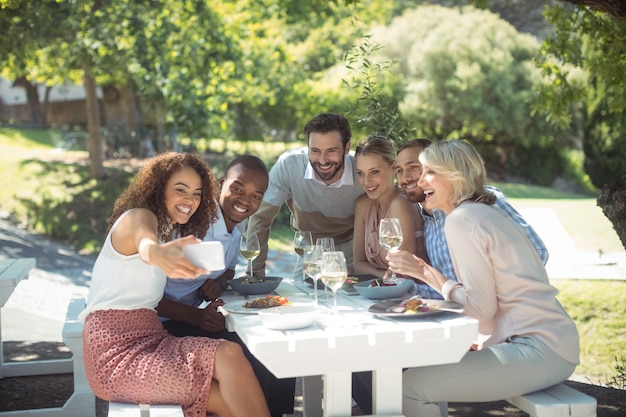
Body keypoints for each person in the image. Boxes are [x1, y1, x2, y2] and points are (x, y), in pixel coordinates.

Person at [387, 140, 579, 417]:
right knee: (422, 377)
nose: (420, 179)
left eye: (430, 172)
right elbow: (490, 306)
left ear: (455, 176)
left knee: (411, 387)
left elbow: (480, 308)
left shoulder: (462, 220)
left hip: (539, 349)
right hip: (543, 343)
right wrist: (424, 273)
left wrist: (425, 273)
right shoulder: (478, 212)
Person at [78, 152, 270, 417]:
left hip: (151, 337)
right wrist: (158, 253)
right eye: (181, 190)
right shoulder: (138, 217)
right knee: (230, 359)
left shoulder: (166, 229)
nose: (189, 200)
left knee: (231, 382)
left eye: (196, 193)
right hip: (114, 354)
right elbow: (146, 246)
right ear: (159, 189)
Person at [156, 155, 296, 417]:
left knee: (273, 345)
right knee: (258, 351)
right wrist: (197, 318)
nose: (245, 200)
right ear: (221, 185)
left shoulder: (235, 224)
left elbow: (229, 267)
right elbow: (149, 299)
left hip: (190, 317)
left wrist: (219, 281)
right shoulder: (191, 224)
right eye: (237, 188)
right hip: (162, 325)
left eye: (256, 195)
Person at [248, 112, 364, 277]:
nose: (323, 160)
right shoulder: (289, 165)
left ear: (346, 148)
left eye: (331, 151)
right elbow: (260, 218)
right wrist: (255, 272)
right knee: (304, 297)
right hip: (310, 249)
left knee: (352, 300)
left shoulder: (362, 170)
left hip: (353, 247)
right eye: (315, 150)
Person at [352, 135, 428, 276]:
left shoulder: (400, 203)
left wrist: (378, 275)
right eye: (361, 173)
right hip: (383, 288)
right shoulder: (363, 204)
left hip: (413, 292)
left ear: (393, 168)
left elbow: (403, 273)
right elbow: (358, 264)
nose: (367, 181)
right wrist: (382, 275)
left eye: (374, 172)